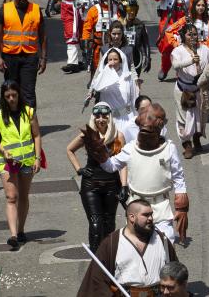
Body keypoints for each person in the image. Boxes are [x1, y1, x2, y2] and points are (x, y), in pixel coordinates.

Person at [85, 104, 190, 242]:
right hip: (136, 205)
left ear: (159, 128)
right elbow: (110, 166)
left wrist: (182, 207)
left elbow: (178, 177)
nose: (146, 133)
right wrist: (100, 153)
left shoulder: (169, 148)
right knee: (136, 244)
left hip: (160, 205)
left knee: (167, 243)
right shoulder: (130, 148)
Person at [77, 199, 179, 296]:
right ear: (132, 217)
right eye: (146, 215)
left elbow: (175, 274)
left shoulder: (162, 240)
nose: (151, 218)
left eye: (151, 214)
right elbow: (97, 279)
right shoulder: (112, 242)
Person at [66, 102, 126, 252]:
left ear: (109, 117)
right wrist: (79, 169)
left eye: (104, 116)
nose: (101, 119)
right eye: (97, 116)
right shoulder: (87, 135)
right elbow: (69, 149)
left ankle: (108, 256)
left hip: (112, 185)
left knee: (109, 224)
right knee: (95, 223)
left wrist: (124, 185)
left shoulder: (118, 136)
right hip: (91, 185)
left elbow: (123, 163)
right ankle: (95, 258)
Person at [0, 80, 42, 250]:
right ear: (3, 97)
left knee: (24, 196)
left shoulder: (29, 112)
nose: (11, 99)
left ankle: (21, 230)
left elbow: (36, 136)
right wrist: (4, 151)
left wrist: (37, 158)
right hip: (8, 163)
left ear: (19, 95)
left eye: (14, 95)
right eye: (7, 96)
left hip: (27, 160)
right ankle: (13, 235)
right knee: (11, 197)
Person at [0, 0, 47, 108]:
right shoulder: (5, 10)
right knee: (11, 92)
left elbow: (43, 36)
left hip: (30, 57)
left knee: (29, 93)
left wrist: (43, 58)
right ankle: (12, 121)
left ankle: (30, 124)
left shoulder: (36, 10)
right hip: (10, 57)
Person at [171, 24, 209, 159]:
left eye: (195, 34)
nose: (193, 37)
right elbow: (175, 65)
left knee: (200, 117)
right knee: (183, 119)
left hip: (199, 89)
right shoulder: (177, 51)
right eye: (189, 34)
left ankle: (197, 139)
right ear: (183, 36)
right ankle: (187, 145)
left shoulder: (205, 49)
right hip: (183, 90)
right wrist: (189, 61)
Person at [89, 47, 140, 141]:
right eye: (110, 59)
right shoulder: (103, 77)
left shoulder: (128, 77)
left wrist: (137, 118)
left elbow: (134, 99)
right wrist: (106, 72)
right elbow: (97, 86)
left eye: (115, 59)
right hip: (108, 120)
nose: (112, 62)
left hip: (127, 118)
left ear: (121, 61)